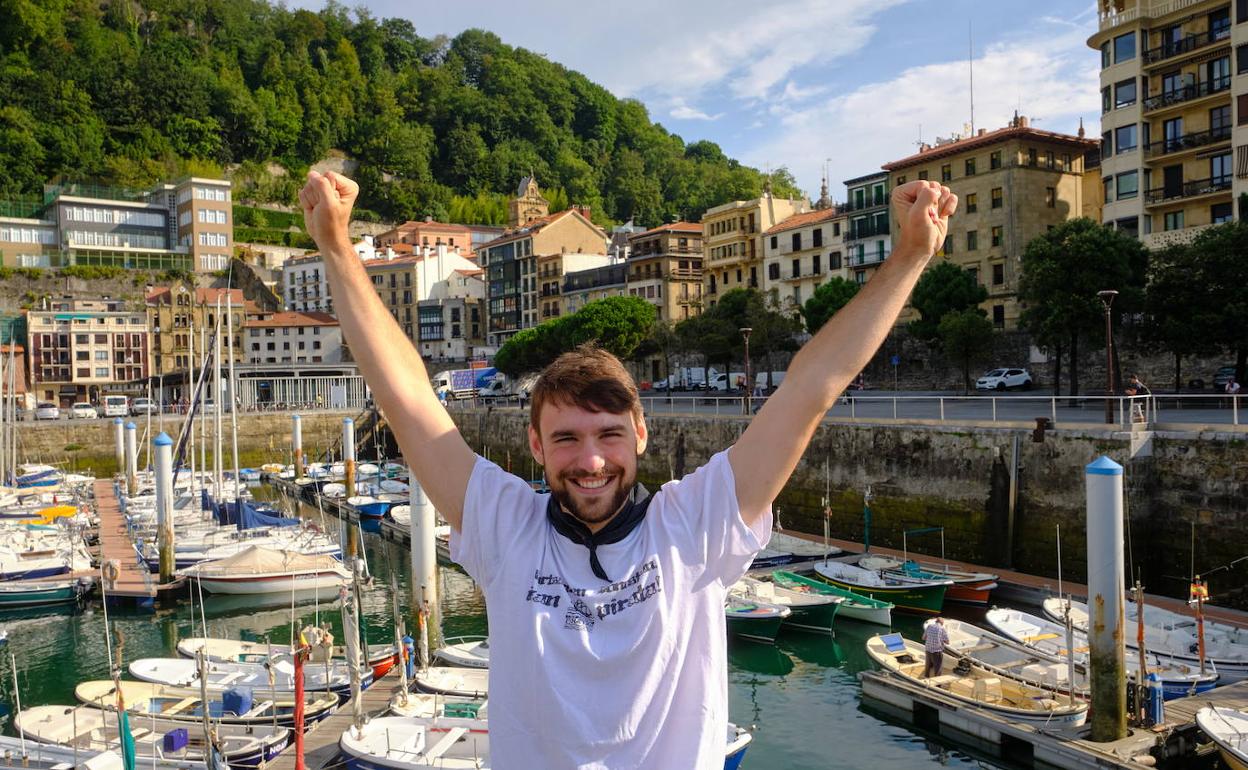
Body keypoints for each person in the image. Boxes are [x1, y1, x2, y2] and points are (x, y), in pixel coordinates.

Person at [299, 170, 956, 769]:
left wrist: (910, 256)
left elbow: (811, 387)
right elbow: (407, 397)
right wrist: (336, 247)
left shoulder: (694, 525)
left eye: (609, 435)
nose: (590, 461)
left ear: (640, 434)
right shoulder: (507, 528)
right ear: (535, 445)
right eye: (566, 438)